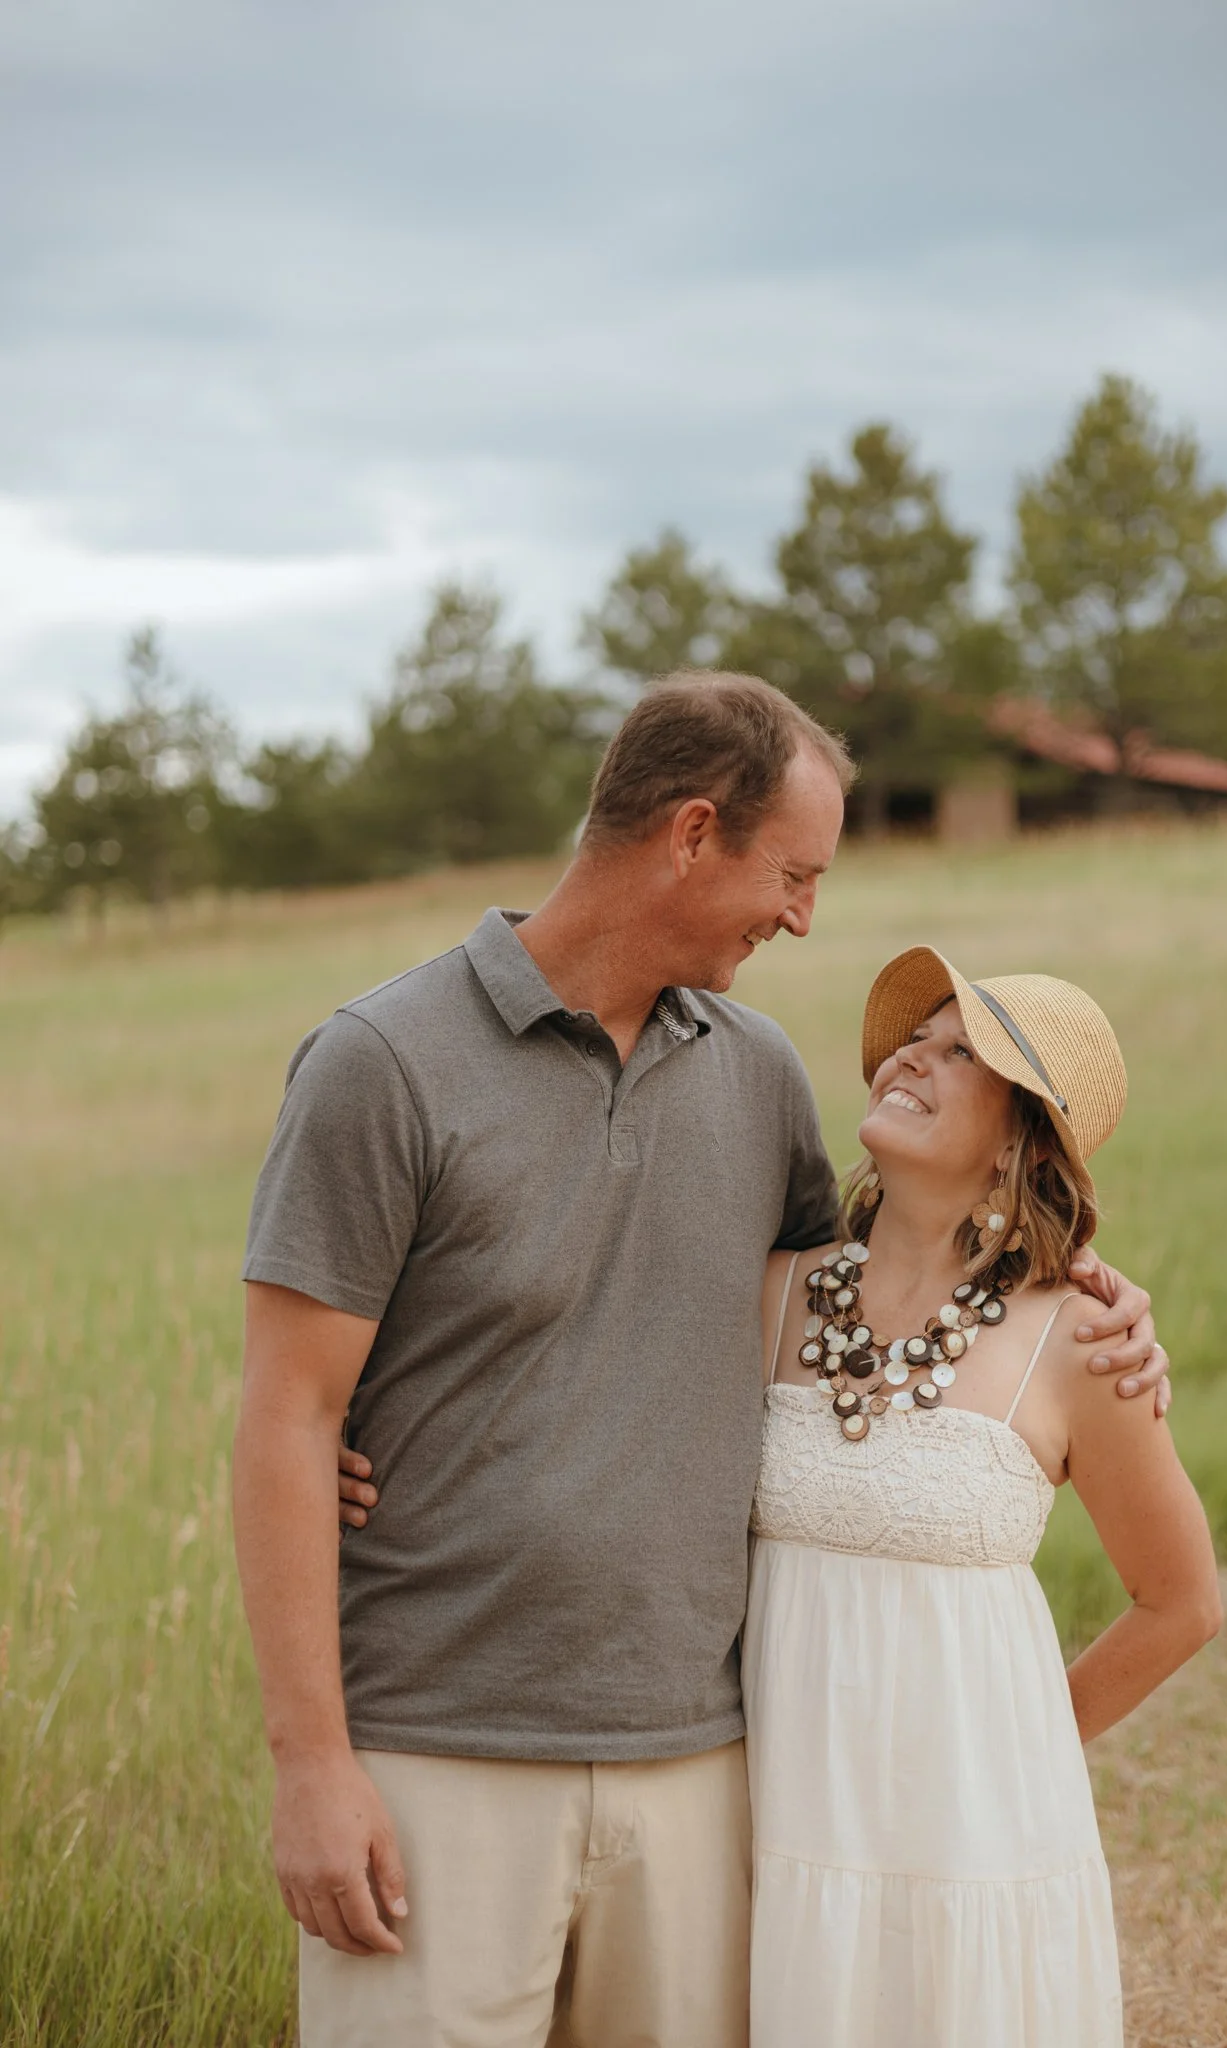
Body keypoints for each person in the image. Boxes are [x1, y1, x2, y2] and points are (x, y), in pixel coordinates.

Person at [234, 670, 1168, 2048]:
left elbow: (874, 1292)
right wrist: (313, 1762)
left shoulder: (757, 1074)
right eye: (792, 873)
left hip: (707, 1764)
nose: (803, 916)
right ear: (688, 834)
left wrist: (1079, 1280)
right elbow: (285, 1415)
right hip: (438, 1748)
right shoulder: (384, 1063)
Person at [745, 947, 1220, 2046]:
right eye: (921, 1036)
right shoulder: (773, 1294)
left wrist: (1025, 1747)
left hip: (977, 1843)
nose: (913, 1054)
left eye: (965, 1053)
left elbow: (1181, 1601)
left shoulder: (1082, 1339)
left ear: (1019, 1133)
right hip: (783, 1820)